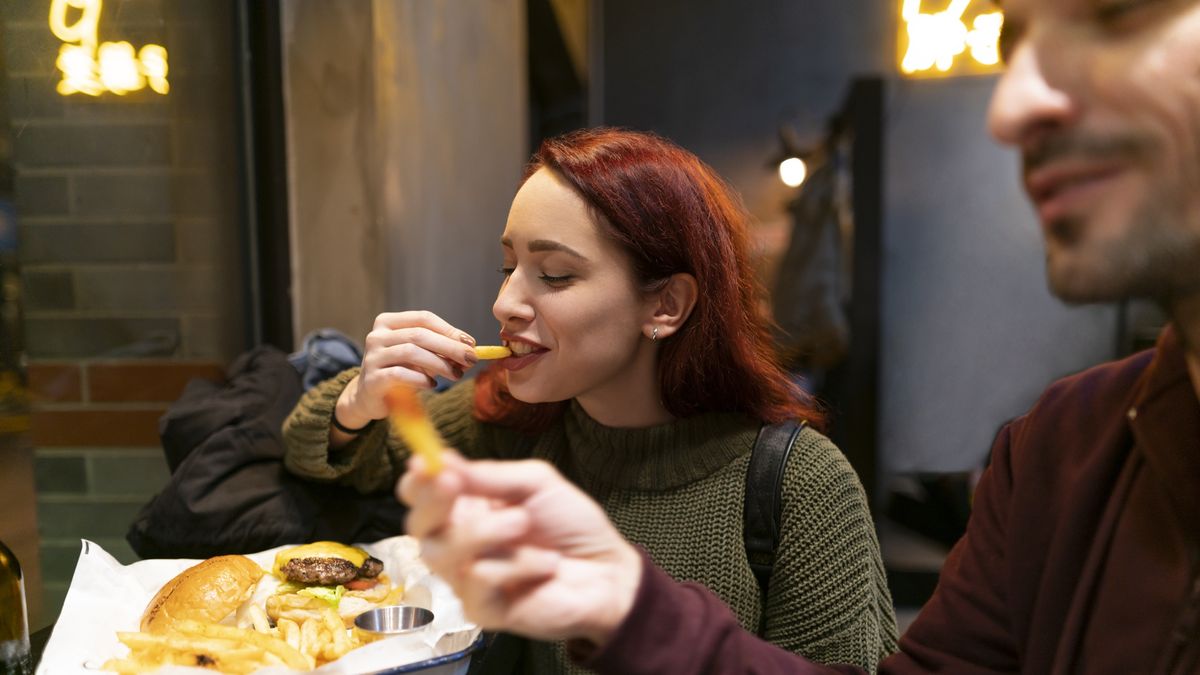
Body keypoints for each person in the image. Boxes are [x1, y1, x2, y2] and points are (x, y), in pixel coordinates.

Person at [398, 0, 1200, 672]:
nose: (1009, 107)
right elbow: (361, 438)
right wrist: (628, 607)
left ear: (667, 305)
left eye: (1118, 14)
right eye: (1013, 42)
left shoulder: (798, 483)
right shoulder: (1057, 454)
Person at [281, 128, 898, 672]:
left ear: (665, 306)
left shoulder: (799, 483)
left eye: (554, 275)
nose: (505, 305)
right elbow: (316, 453)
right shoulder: (512, 423)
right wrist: (361, 398)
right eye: (507, 268)